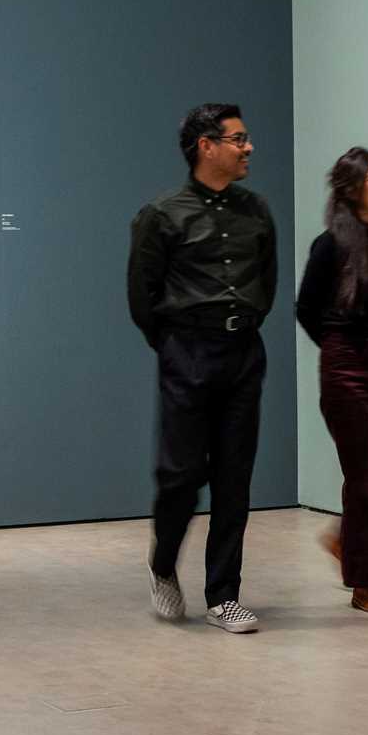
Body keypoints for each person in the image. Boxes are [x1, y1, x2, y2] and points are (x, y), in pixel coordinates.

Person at [127, 103, 277, 634]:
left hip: (243, 354)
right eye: (238, 139)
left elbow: (268, 283)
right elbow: (142, 299)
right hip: (187, 354)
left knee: (234, 477)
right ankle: (163, 563)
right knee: (180, 475)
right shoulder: (162, 215)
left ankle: (224, 594)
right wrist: (174, 347)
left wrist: (244, 326)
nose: (248, 147)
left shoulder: (256, 211)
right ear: (206, 146)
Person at [296, 147, 368, 614]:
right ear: (353, 188)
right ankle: (365, 584)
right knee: (363, 477)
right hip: (345, 365)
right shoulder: (330, 245)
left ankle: (346, 541)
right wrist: (339, 352)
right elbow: (305, 308)